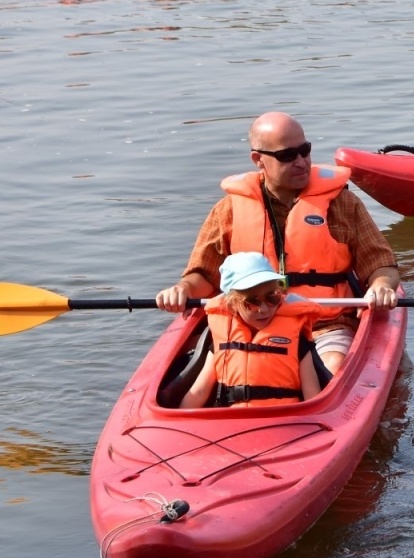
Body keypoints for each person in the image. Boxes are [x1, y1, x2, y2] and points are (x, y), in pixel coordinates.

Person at [156, 111, 401, 374]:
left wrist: (382, 286)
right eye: (287, 156)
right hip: (249, 322)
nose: (301, 162)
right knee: (194, 378)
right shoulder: (228, 210)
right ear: (258, 160)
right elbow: (203, 275)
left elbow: (380, 263)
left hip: (324, 324)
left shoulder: (342, 204)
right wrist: (182, 289)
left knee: (333, 369)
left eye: (304, 151)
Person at [178, 252, 325, 409]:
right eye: (251, 303)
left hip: (283, 423)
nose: (263, 309)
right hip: (231, 423)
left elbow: (312, 395)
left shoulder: (297, 341)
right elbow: (199, 392)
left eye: (272, 298)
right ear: (232, 304)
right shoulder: (221, 339)